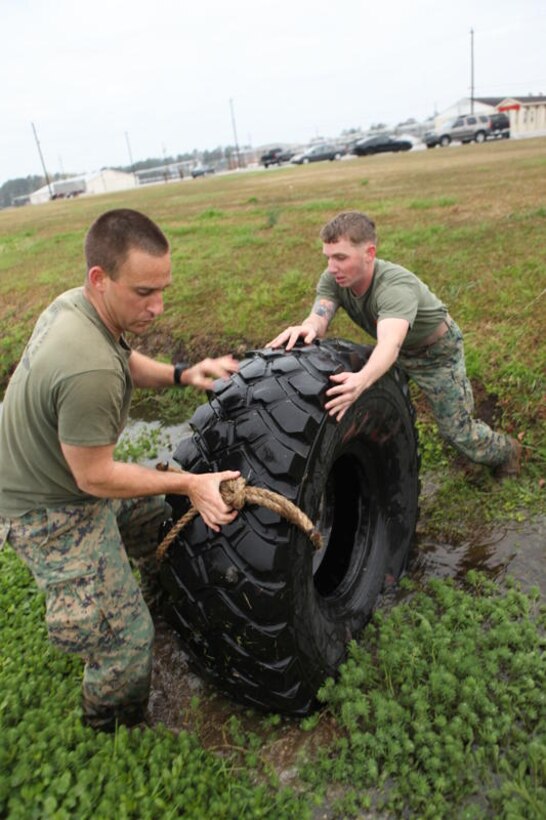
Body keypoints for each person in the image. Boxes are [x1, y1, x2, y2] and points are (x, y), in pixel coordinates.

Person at [0, 208, 241, 732]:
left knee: (161, 520)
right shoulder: (87, 368)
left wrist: (181, 373)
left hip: (71, 474)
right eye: (143, 293)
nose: (158, 307)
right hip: (48, 509)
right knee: (127, 644)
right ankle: (110, 730)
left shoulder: (79, 307)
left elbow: (125, 357)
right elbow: (95, 480)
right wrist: (191, 482)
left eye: (163, 289)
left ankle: (161, 607)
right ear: (100, 278)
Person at [267, 210, 521, 476]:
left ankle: (507, 451)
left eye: (341, 257)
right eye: (328, 257)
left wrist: (363, 379)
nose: (332, 267)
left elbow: (389, 345)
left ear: (369, 254)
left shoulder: (394, 287)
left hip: (434, 354)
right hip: (394, 351)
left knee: (457, 431)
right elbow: (320, 316)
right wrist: (307, 327)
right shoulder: (334, 278)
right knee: (382, 411)